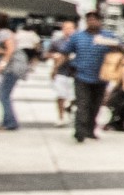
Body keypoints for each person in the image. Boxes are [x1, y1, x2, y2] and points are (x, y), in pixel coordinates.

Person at [66, 12, 119, 143]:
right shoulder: (77, 36)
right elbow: (66, 51)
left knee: (95, 105)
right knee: (82, 104)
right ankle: (80, 131)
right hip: (82, 75)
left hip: (101, 77)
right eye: (89, 20)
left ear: (100, 21)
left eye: (95, 20)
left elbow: (121, 49)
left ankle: (90, 130)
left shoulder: (108, 36)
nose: (92, 22)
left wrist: (111, 44)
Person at [0, 13, 28, 132]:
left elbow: (10, 49)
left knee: (3, 95)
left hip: (12, 67)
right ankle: (6, 122)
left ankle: (11, 123)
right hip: (12, 67)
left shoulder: (4, 33)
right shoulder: (3, 33)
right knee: (4, 94)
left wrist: (2, 64)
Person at [48, 19, 77, 126]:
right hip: (61, 71)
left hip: (75, 72)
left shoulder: (78, 41)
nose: (68, 30)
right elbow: (47, 53)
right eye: (66, 28)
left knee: (76, 97)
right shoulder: (57, 41)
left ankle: (69, 108)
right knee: (61, 95)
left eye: (70, 28)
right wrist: (54, 56)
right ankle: (60, 117)